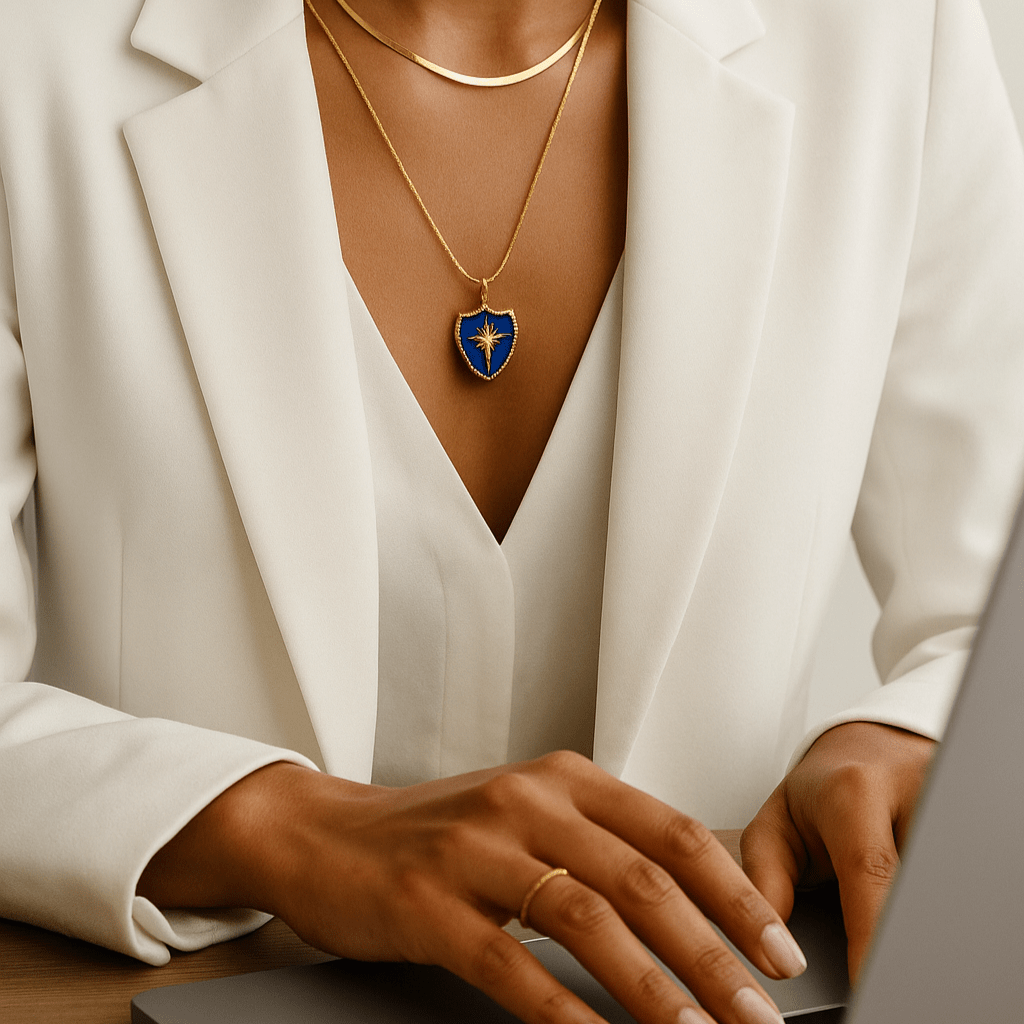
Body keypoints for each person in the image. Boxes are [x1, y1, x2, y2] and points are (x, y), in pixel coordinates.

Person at [0, 0, 1022, 1022]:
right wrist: (278, 828)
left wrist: (903, 734)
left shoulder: (890, 32)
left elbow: (991, 599)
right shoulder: (31, 47)